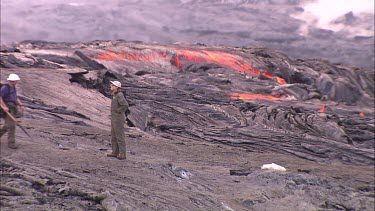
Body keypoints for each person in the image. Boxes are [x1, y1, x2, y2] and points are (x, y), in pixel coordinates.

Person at [0, 73, 25, 149]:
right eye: (16, 81)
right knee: (11, 126)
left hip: (13, 108)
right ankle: (11, 144)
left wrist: (20, 105)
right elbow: (0, 97)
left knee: (7, 125)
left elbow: (15, 98)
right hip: (7, 108)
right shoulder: (5, 88)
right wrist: (4, 106)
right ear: (12, 81)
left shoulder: (13, 87)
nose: (17, 82)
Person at [107, 80, 129, 160]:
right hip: (114, 118)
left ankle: (122, 154)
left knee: (119, 136)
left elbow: (125, 105)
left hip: (118, 119)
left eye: (112, 85)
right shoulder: (114, 95)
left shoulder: (119, 95)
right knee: (114, 136)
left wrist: (118, 111)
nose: (111, 86)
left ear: (116, 87)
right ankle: (115, 152)